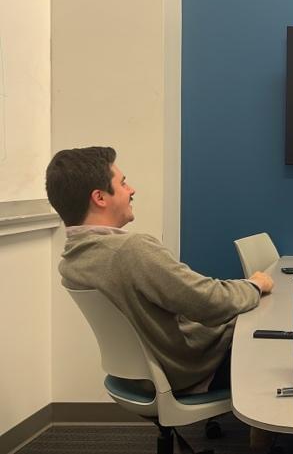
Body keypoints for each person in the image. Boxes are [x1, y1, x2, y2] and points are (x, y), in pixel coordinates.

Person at [46, 146, 273, 394]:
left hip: (147, 375)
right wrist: (254, 285)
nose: (131, 190)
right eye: (123, 184)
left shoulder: (72, 260)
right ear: (100, 198)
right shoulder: (129, 250)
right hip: (191, 370)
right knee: (278, 341)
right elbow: (209, 303)